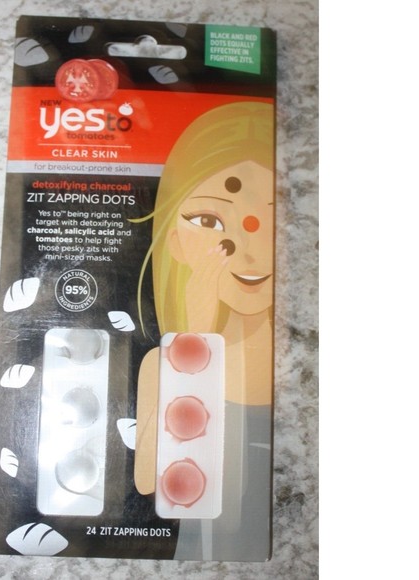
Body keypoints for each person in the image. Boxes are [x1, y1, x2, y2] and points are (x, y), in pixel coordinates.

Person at [133, 101, 275, 561]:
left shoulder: (298, 363)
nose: (248, 249)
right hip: (194, 554)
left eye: (272, 220)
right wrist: (194, 339)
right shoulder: (163, 364)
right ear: (175, 240)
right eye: (210, 221)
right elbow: (147, 480)